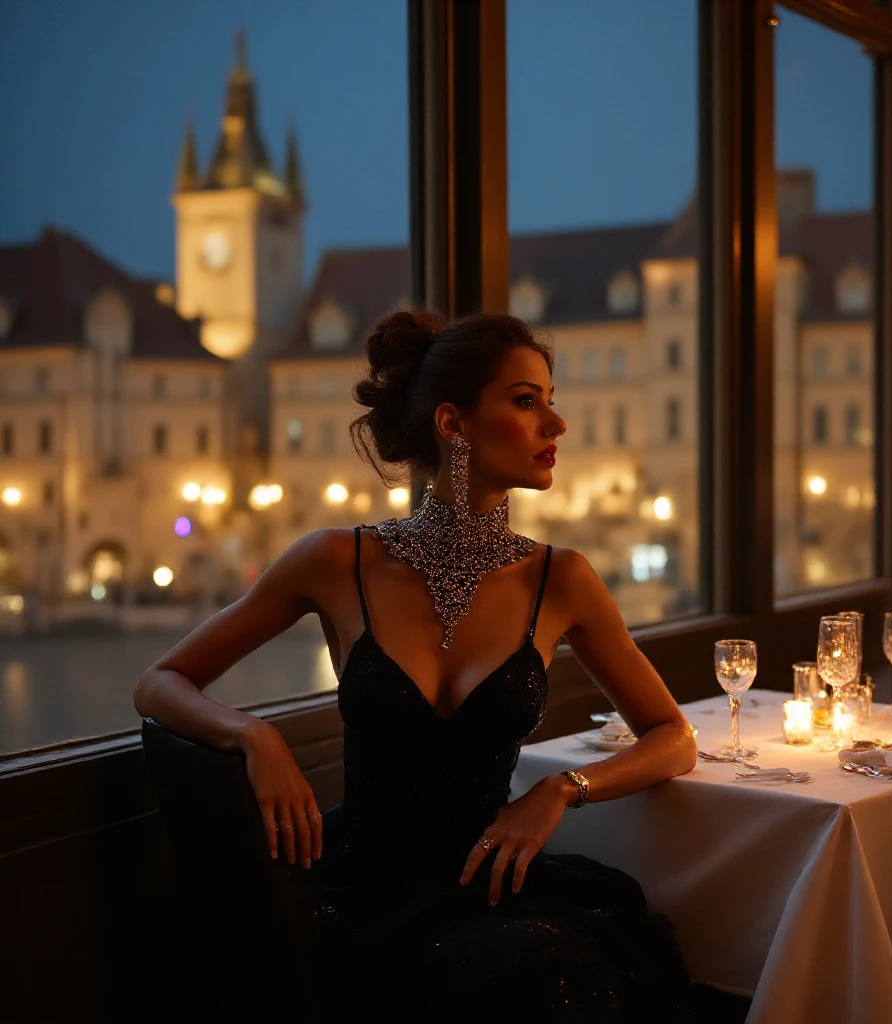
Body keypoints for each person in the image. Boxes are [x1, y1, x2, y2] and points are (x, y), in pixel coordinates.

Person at [134, 309, 697, 1020]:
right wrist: (253, 736)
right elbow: (158, 683)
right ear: (453, 424)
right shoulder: (339, 561)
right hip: (358, 894)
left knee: (545, 972)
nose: (556, 426)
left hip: (488, 887)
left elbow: (673, 737)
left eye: (552, 402)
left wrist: (560, 790)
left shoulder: (563, 579)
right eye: (527, 402)